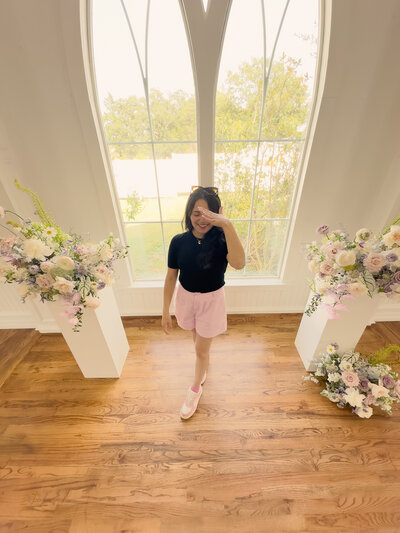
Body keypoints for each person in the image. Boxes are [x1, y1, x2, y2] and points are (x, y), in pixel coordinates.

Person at [162, 186, 245, 419]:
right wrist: (165, 311)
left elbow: (239, 263)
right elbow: (171, 277)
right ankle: (203, 366)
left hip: (212, 301)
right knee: (196, 337)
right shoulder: (178, 241)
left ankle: (195, 389)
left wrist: (227, 224)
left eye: (207, 214)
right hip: (186, 297)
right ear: (189, 215)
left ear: (218, 213)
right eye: (196, 213)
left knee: (200, 351)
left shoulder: (223, 238)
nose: (201, 219)